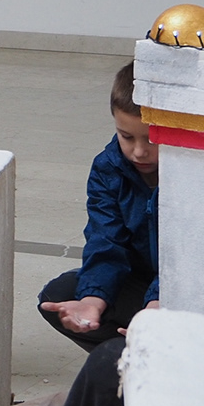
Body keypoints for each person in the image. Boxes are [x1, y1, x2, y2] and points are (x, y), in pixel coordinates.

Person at [37, 61, 159, 349]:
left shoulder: (194, 175)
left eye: (153, 139)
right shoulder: (108, 168)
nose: (139, 152)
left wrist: (157, 305)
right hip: (139, 282)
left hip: (186, 294)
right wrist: (93, 300)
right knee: (60, 295)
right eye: (126, 137)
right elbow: (105, 240)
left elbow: (191, 258)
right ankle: (125, 359)